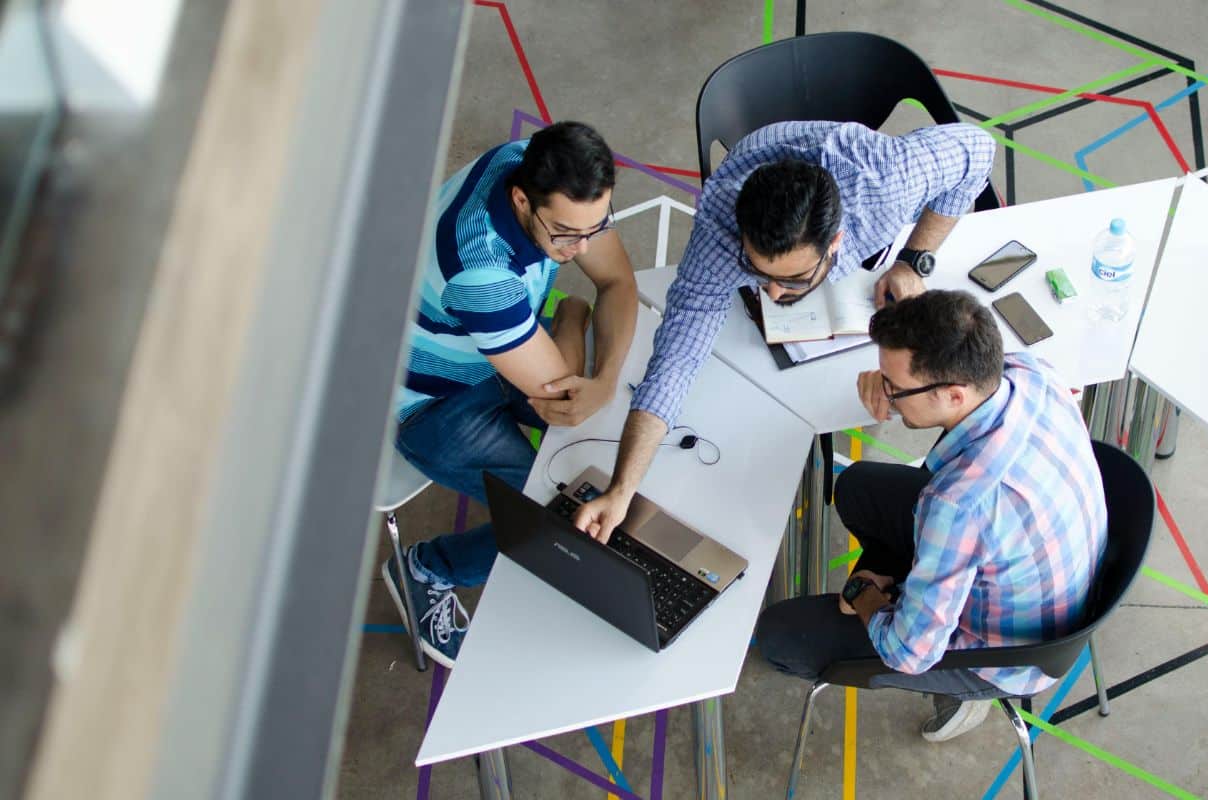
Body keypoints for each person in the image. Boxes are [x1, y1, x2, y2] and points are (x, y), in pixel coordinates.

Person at [571, 120, 996, 543]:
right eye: (758, 273)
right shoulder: (719, 230)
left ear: (836, 243)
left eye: (792, 280)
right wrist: (622, 489)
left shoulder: (886, 183)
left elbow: (979, 150)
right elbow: (675, 361)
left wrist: (914, 258)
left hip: (853, 168)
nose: (772, 294)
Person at [753, 290, 1109, 742]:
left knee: (780, 635)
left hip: (1005, 655)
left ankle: (961, 694)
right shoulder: (1029, 373)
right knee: (858, 487)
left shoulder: (958, 504)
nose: (887, 394)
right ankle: (910, 587)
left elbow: (908, 652)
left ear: (953, 394)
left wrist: (865, 594)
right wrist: (885, 379)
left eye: (894, 388)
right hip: (1049, 576)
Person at [382, 121, 639, 667]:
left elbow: (618, 282)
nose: (583, 247)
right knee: (549, 517)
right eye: (567, 234)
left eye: (597, 228)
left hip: (496, 347)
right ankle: (428, 568)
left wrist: (606, 377)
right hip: (430, 401)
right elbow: (564, 401)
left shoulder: (537, 165)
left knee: (605, 436)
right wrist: (572, 316)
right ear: (522, 200)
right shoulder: (482, 273)